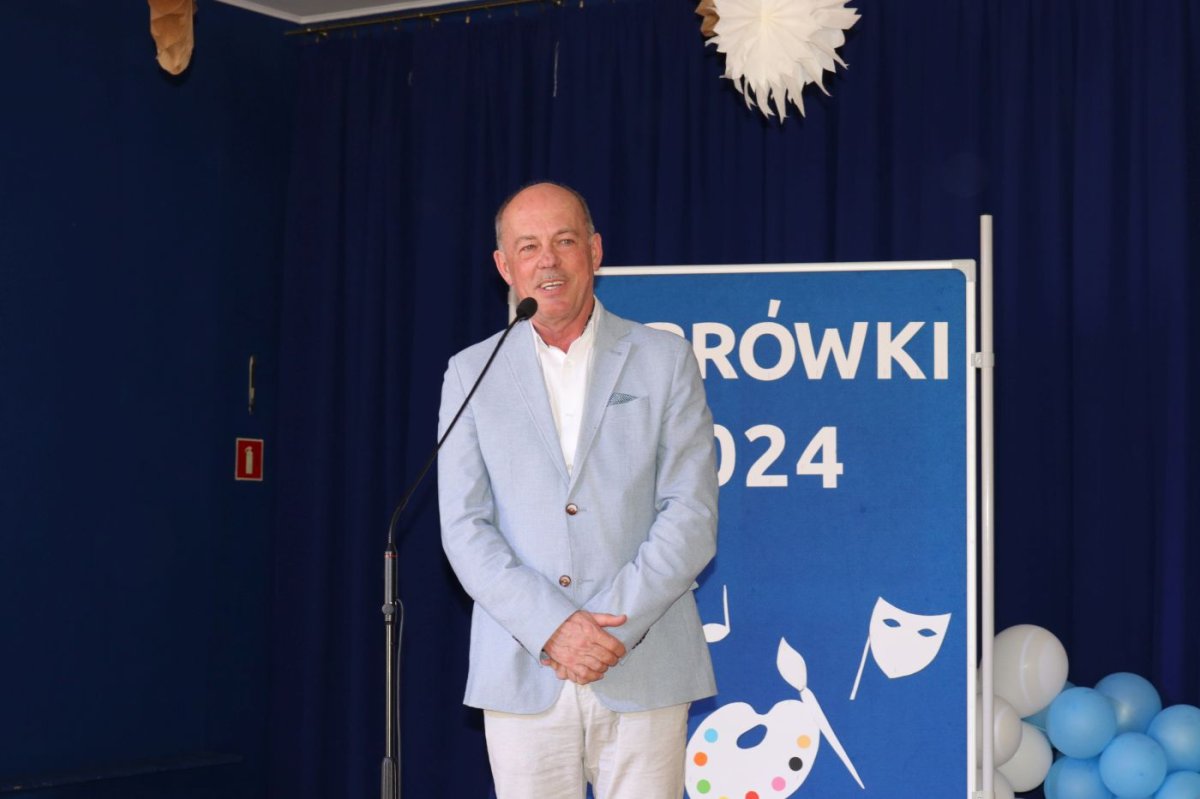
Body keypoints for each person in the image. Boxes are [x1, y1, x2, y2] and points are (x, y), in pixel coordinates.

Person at [437, 181, 719, 799]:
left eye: (564, 241)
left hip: (646, 661)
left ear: (594, 252)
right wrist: (553, 627)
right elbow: (464, 527)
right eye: (528, 246)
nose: (548, 261)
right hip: (522, 666)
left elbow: (691, 514)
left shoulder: (665, 359)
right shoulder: (470, 373)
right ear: (504, 266)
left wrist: (610, 629)